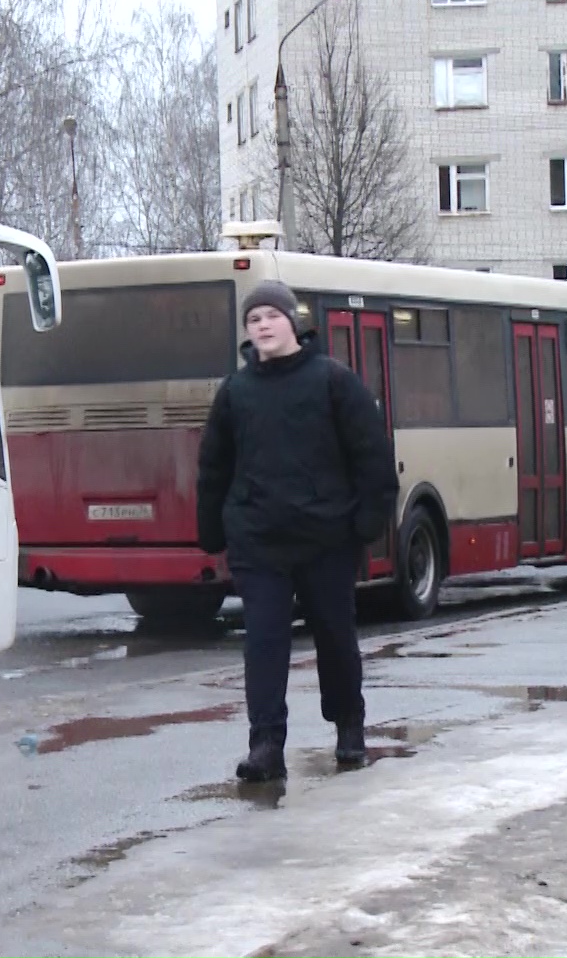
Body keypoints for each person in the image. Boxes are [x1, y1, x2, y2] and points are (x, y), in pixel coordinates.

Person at [195, 280, 398, 782]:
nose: (262, 325)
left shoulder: (333, 381)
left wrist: (364, 524)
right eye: (253, 319)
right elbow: (214, 465)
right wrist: (212, 528)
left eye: (270, 316)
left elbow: (372, 456)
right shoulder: (236, 391)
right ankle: (265, 744)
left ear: (293, 322)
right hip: (259, 542)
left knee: (334, 638)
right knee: (263, 644)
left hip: (325, 540)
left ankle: (349, 727)